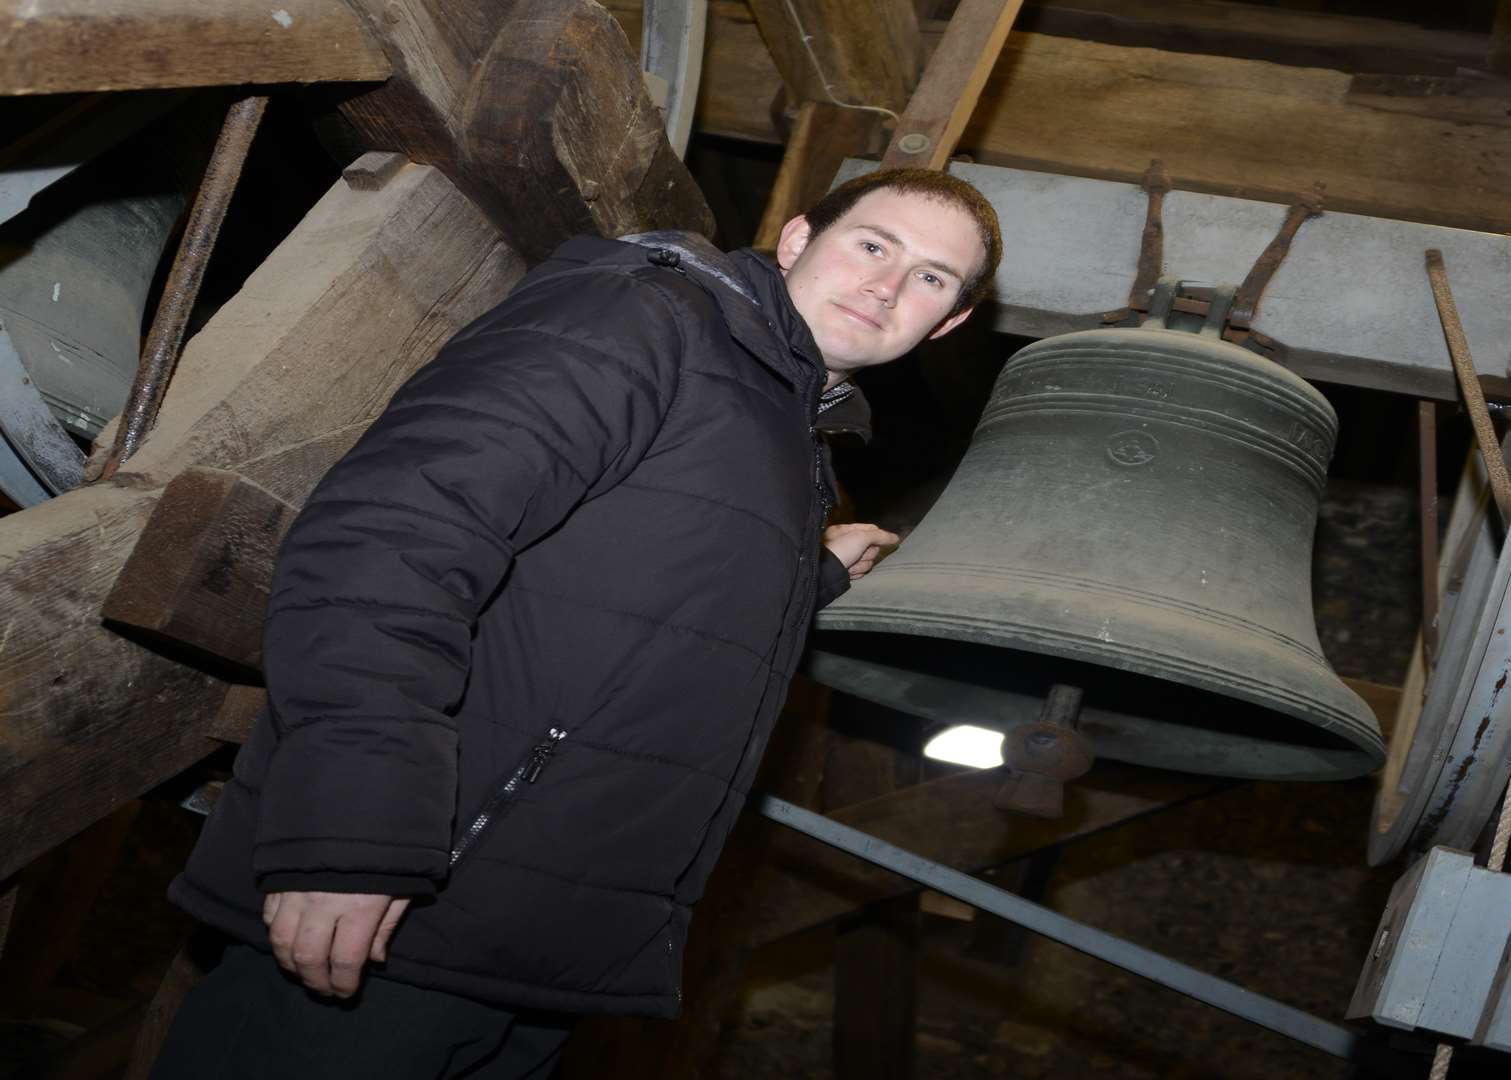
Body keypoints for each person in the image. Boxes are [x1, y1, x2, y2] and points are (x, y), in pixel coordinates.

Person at [154, 167, 1002, 1078]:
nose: (887, 285)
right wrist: (350, 829)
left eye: (930, 278)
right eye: (874, 245)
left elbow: (653, 624)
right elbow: (394, 538)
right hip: (405, 904)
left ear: (947, 323)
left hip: (534, 957)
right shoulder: (645, 317)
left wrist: (808, 576)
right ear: (796, 241)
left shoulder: (786, 437)